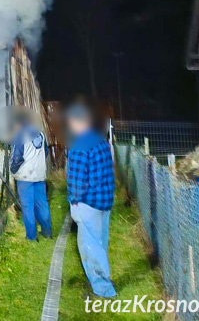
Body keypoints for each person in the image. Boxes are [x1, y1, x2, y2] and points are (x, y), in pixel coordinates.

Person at [65, 104, 117, 298]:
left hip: (88, 205)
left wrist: (74, 202)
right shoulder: (102, 142)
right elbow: (109, 171)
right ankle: (103, 283)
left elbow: (76, 182)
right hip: (105, 202)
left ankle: (103, 289)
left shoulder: (78, 148)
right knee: (100, 242)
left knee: (89, 246)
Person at [9, 107, 52, 241]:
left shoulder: (20, 135)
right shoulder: (41, 133)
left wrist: (13, 170)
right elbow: (45, 152)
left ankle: (32, 237)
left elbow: (16, 157)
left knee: (28, 207)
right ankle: (47, 232)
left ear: (18, 123)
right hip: (39, 175)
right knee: (42, 203)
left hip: (25, 177)